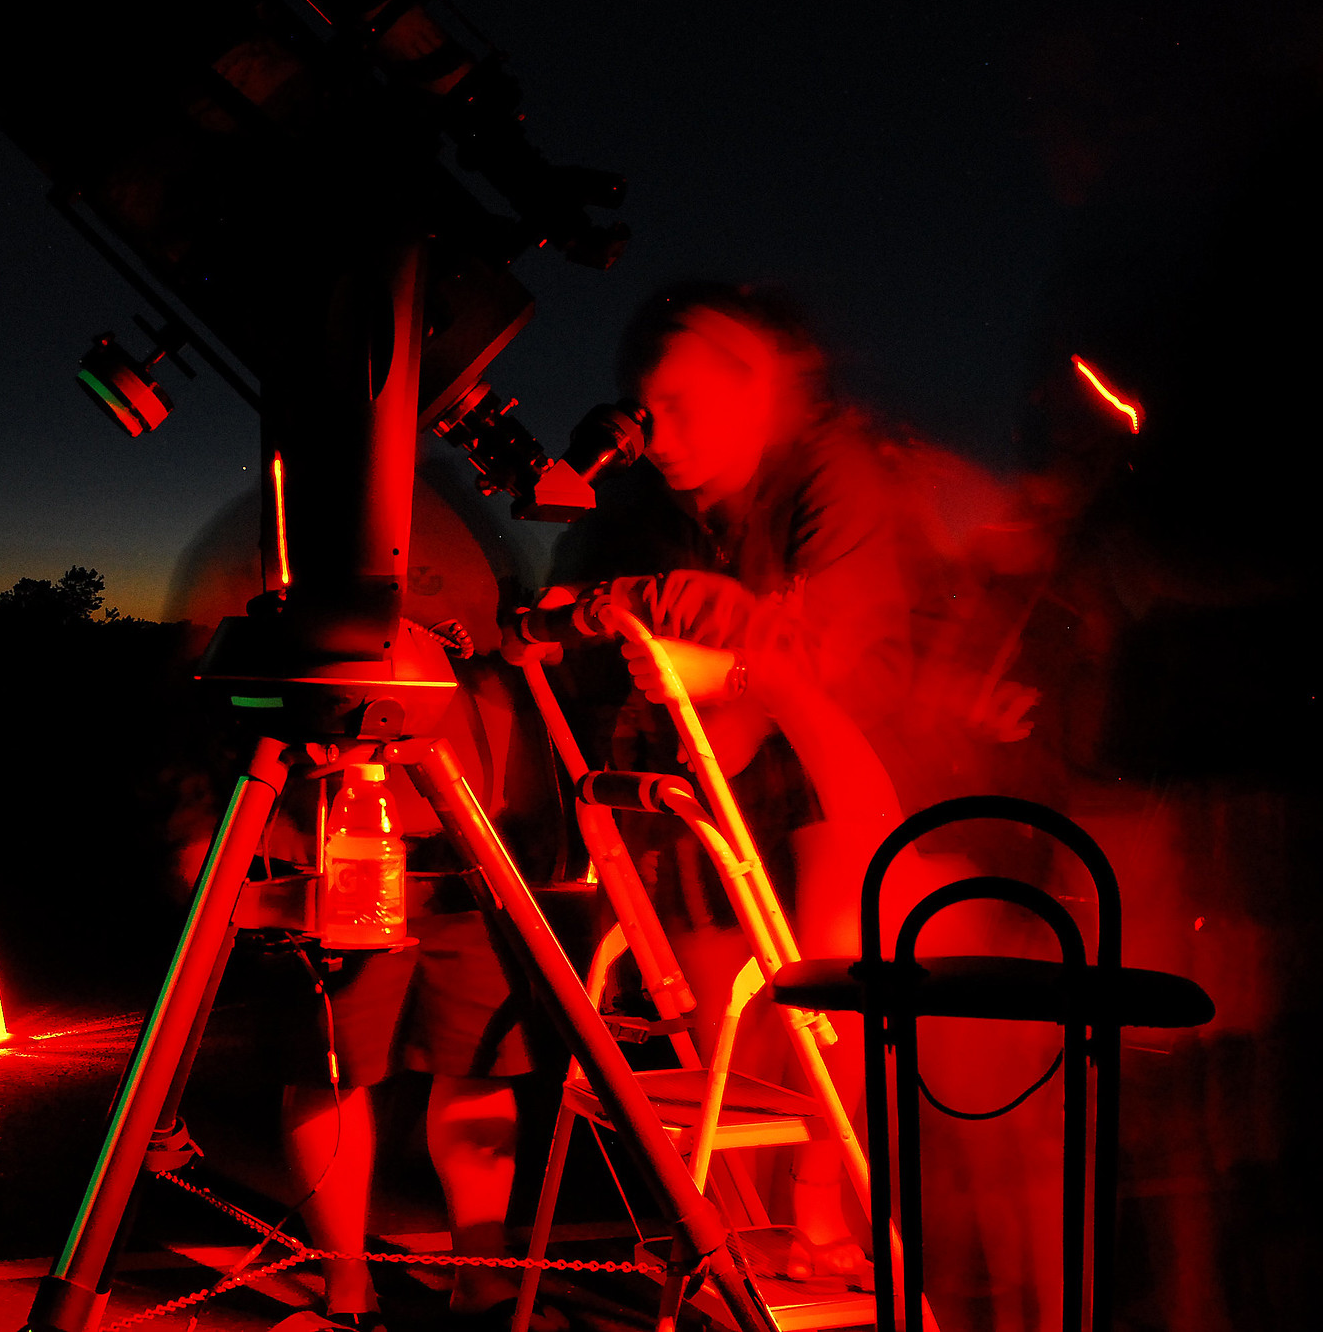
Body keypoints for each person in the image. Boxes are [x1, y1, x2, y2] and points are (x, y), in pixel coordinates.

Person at [551, 281, 913, 1280]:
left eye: (682, 410)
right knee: (718, 1017)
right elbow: (579, 607)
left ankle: (821, 1222)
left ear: (754, 392)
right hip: (728, 773)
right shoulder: (659, 503)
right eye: (644, 411)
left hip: (847, 764)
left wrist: (705, 647)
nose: (655, 435)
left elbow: (821, 663)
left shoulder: (827, 476)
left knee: (827, 996)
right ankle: (731, 1238)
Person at [166, 473, 573, 1332]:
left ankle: (481, 1268)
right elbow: (225, 667)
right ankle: (345, 1280)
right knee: (330, 1066)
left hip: (472, 836)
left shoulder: (472, 515)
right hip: (341, 832)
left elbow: (519, 655)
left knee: (476, 1060)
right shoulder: (289, 512)